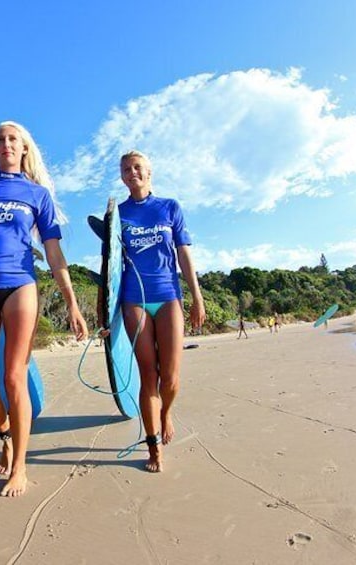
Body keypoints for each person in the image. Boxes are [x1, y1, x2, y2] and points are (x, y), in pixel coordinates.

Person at [0, 121, 88, 497]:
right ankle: (6, 435)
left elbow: (53, 252)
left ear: (24, 149)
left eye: (12, 139)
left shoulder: (38, 195)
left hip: (20, 285)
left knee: (14, 378)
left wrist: (71, 302)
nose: (5, 144)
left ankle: (20, 467)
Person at [118, 150, 205, 473]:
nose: (132, 172)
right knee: (148, 375)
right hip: (134, 300)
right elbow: (112, 265)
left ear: (149, 172)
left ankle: (165, 411)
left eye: (137, 167)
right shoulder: (119, 215)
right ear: (122, 176)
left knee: (170, 377)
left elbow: (183, 255)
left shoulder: (169, 207)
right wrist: (105, 313)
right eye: (126, 169)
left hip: (168, 296)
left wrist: (196, 297)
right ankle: (153, 447)